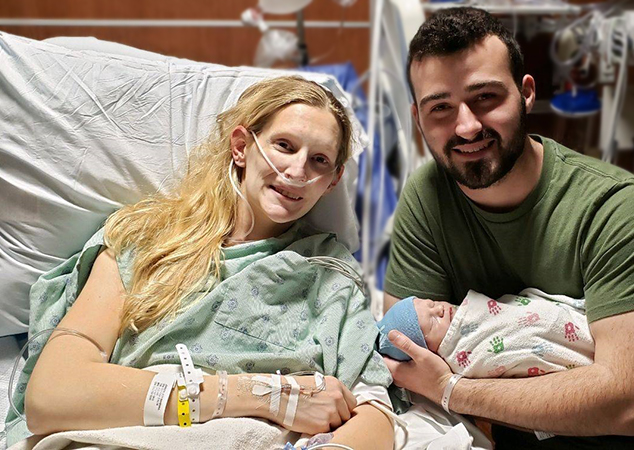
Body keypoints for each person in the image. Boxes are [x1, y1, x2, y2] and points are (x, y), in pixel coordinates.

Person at [382, 7, 634, 448]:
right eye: (440, 107)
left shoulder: (615, 206)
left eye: (485, 97)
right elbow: (403, 358)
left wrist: (452, 390)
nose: (465, 126)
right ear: (418, 118)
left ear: (526, 94)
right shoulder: (426, 199)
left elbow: (627, 404)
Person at [6, 76, 393, 450]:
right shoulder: (145, 242)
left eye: (319, 160)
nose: (296, 172)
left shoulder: (329, 273)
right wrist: (265, 396)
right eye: (284, 145)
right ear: (241, 146)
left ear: (333, 179)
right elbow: (52, 393)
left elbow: (375, 413)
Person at [377, 290, 593, 375]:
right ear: (427, 351)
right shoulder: (463, 359)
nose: (440, 309)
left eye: (432, 304)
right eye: (432, 322)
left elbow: (504, 317)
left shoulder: (472, 311)